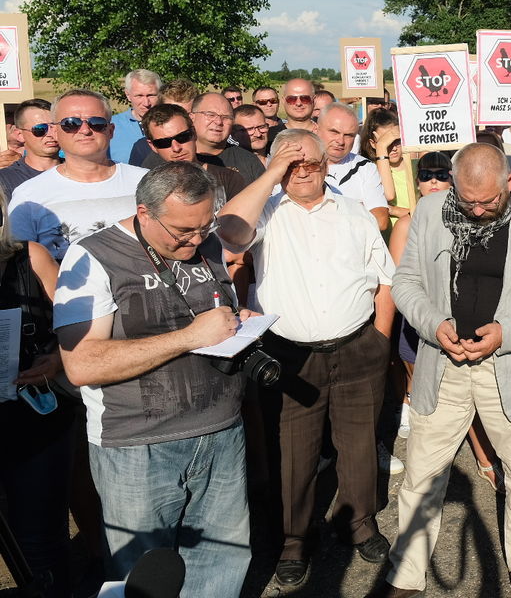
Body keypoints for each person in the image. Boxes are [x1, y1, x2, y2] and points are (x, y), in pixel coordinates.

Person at [378, 143, 511, 598]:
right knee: (423, 475)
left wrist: (509, 332)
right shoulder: (431, 211)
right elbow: (406, 281)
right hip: (442, 366)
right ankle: (407, 575)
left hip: (510, 367)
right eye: (467, 201)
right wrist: (433, 325)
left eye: (488, 201)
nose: (477, 210)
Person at [53, 163, 253, 596]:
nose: (196, 240)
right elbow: (81, 364)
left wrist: (238, 321)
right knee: (142, 575)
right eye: (183, 232)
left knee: (221, 562)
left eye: (205, 226)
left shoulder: (209, 244)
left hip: (221, 431)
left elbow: (212, 316)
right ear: (144, 213)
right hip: (137, 445)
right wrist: (187, 337)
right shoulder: (92, 256)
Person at [217, 130, 396, 588]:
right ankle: (295, 539)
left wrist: (379, 340)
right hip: (290, 355)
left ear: (326, 166)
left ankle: (360, 522)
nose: (301, 172)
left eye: (310, 163)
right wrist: (273, 171)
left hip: (358, 347)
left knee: (358, 445)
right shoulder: (265, 215)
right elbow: (228, 233)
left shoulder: (355, 214)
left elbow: (383, 282)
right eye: (289, 164)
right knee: (294, 452)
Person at [0, 188, 72, 598]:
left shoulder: (29, 255)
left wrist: (59, 358)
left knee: (42, 533)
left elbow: (76, 320)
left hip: (34, 410)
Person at [10, 89, 149, 261]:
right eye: (71, 123)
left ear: (111, 130)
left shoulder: (146, 182)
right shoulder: (29, 195)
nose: (85, 130)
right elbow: (19, 266)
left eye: (96, 123)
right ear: (55, 131)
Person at [387, 151, 455, 436]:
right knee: (414, 365)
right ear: (417, 182)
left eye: (441, 175)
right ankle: (409, 403)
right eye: (427, 176)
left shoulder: (462, 219)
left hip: (453, 306)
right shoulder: (406, 223)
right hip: (418, 311)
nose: (434, 181)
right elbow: (399, 276)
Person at [142, 104, 247, 202]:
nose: (176, 148)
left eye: (183, 137)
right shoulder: (148, 188)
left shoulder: (228, 180)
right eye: (163, 142)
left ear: (194, 133)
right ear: (152, 146)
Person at [318, 102, 390, 231]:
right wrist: (356, 209)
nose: (340, 141)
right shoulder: (298, 165)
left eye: (349, 135)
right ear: (316, 129)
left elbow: (380, 221)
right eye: (334, 132)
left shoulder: (365, 167)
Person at [0, 98, 61, 197]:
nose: (51, 134)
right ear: (20, 135)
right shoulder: (5, 180)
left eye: (55, 128)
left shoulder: (80, 172)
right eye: (40, 129)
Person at [108, 69, 162, 163]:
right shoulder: (109, 127)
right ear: (128, 95)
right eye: (139, 96)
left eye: (151, 95)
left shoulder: (171, 124)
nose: (146, 103)